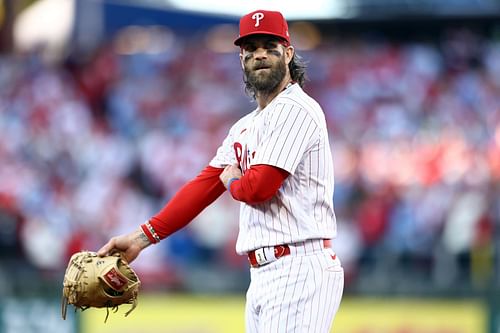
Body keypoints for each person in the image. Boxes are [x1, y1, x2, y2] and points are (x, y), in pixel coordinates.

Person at [98, 9, 344, 332]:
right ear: (241, 57)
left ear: (288, 53)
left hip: (299, 266)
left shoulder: (297, 109)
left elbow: (257, 188)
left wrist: (232, 182)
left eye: (269, 46)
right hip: (265, 274)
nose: (260, 54)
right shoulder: (245, 126)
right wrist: (141, 238)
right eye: (251, 47)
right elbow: (202, 187)